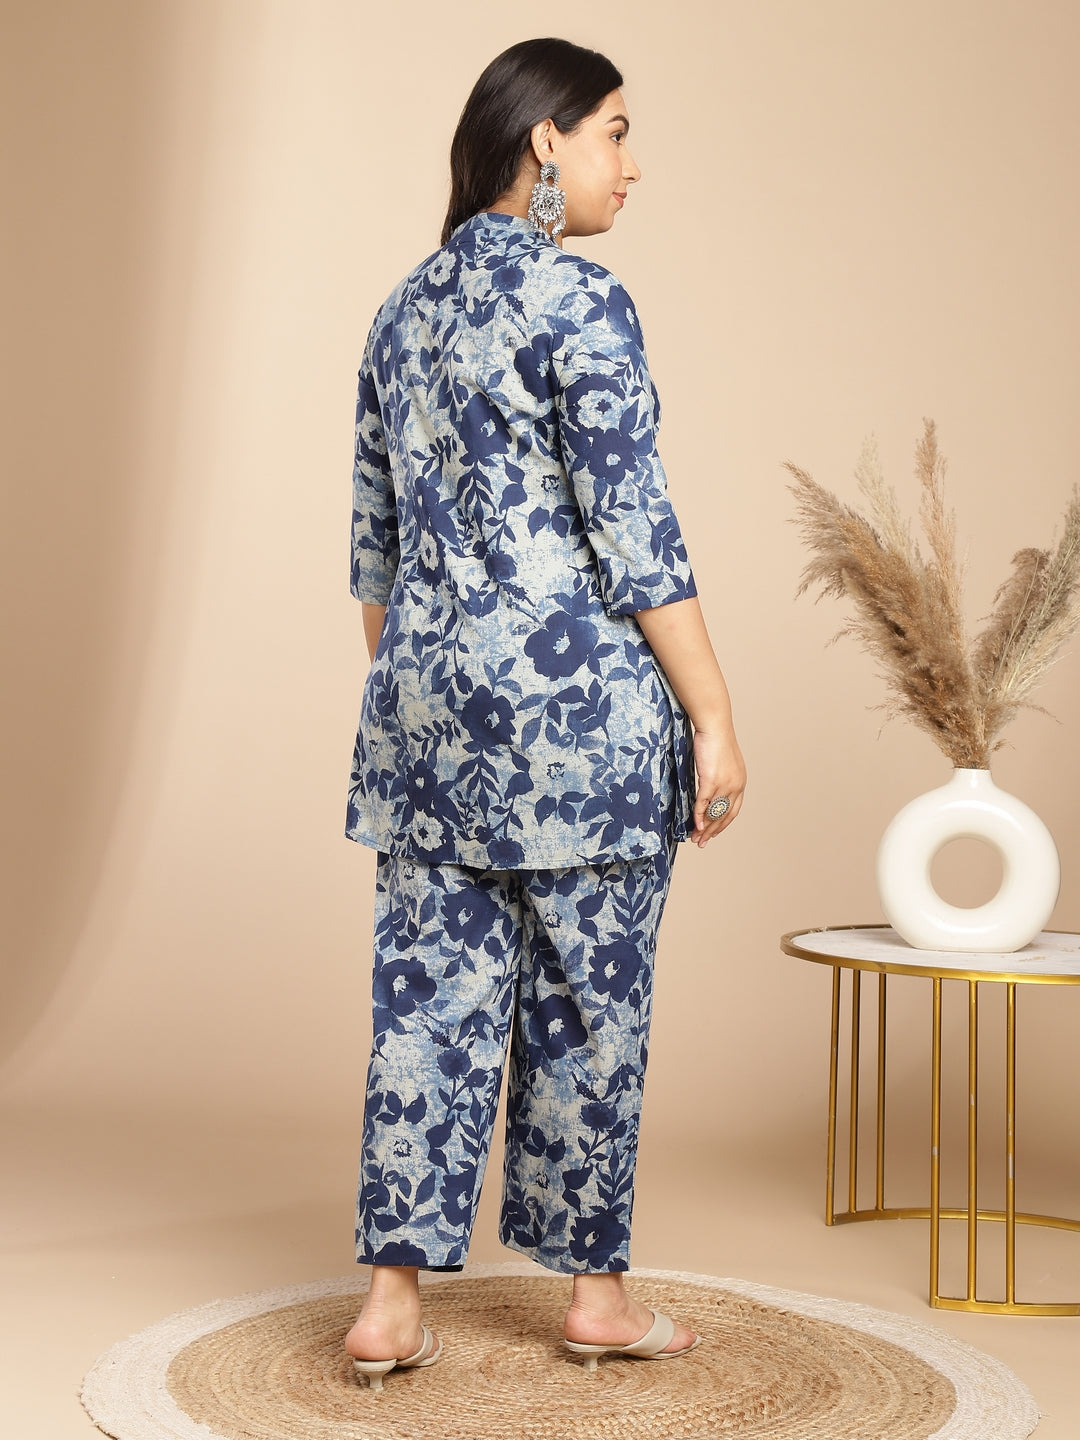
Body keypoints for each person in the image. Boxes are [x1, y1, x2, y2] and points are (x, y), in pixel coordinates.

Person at [342, 37, 746, 1389]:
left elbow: (377, 563)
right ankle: (597, 1300)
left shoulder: (401, 312)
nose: (632, 164)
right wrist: (714, 716)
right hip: (581, 731)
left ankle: (391, 1305)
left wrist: (432, 704)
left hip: (427, 726)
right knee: (588, 1005)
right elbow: (637, 536)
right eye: (615, 131)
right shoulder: (580, 300)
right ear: (545, 142)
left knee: (426, 1010)